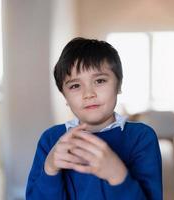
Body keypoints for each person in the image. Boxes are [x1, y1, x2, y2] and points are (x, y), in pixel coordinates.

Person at [26, 37, 163, 200]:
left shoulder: (142, 137)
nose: (88, 94)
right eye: (75, 86)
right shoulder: (51, 140)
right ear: (65, 96)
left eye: (99, 81)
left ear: (118, 85)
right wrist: (50, 169)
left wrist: (117, 175)